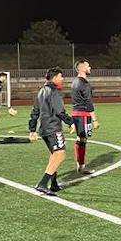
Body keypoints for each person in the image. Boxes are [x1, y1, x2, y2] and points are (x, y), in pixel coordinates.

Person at [28, 67, 74, 196]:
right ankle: (43, 183)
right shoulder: (54, 91)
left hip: (44, 129)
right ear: (54, 78)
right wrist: (70, 122)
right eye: (61, 76)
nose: (62, 79)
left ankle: (53, 183)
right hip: (53, 128)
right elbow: (59, 111)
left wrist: (32, 129)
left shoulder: (41, 91)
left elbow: (34, 111)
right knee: (60, 155)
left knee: (54, 154)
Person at [70, 60, 99, 174]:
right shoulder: (84, 83)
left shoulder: (75, 81)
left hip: (75, 114)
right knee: (82, 139)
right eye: (88, 66)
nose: (90, 67)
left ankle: (80, 164)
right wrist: (95, 119)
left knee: (80, 138)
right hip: (83, 114)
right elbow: (88, 101)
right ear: (82, 68)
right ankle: (81, 166)